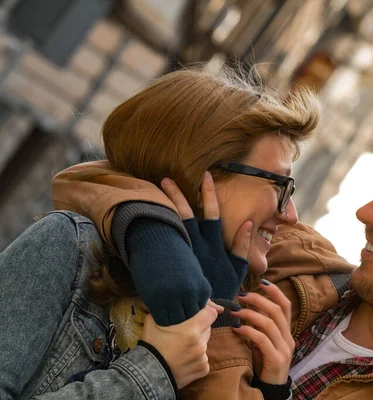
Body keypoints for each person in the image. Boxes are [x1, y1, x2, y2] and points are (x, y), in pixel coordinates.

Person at [50, 121, 373, 399]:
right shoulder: (292, 255)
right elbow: (91, 176)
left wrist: (220, 314)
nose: (364, 212)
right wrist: (156, 237)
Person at [0, 66, 320, 399]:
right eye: (281, 185)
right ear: (202, 174)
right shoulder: (68, 245)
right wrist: (153, 371)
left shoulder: (246, 317)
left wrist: (269, 391)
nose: (290, 215)